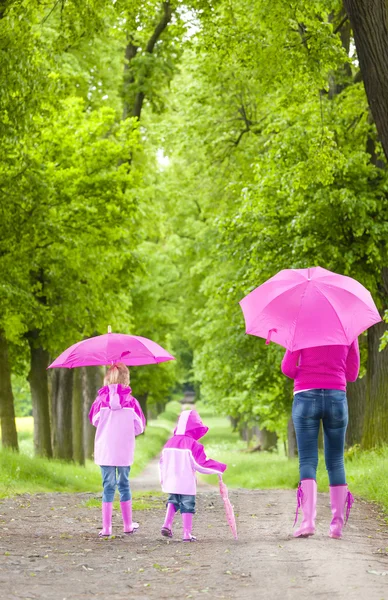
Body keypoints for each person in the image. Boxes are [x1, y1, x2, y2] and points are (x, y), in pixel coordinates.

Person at [281, 340, 360, 539]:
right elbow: (352, 374)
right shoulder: (347, 327)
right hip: (336, 397)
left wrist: (305, 371)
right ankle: (337, 526)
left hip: (305, 396)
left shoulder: (301, 325)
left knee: (307, 460)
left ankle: (308, 522)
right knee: (336, 461)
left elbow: (287, 368)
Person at [89, 363, 146, 537]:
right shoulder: (132, 402)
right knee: (124, 484)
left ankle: (106, 528)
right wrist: (128, 432)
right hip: (123, 450)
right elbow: (140, 427)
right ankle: (128, 525)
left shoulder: (100, 401)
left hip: (106, 450)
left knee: (108, 486)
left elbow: (94, 421)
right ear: (126, 380)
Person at [159, 409, 227, 541]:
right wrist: (219, 467)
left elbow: (162, 463)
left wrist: (163, 479)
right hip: (186, 482)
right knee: (187, 504)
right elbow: (201, 464)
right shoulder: (193, 444)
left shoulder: (169, 442)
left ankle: (167, 524)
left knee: (173, 500)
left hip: (171, 481)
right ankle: (186, 534)